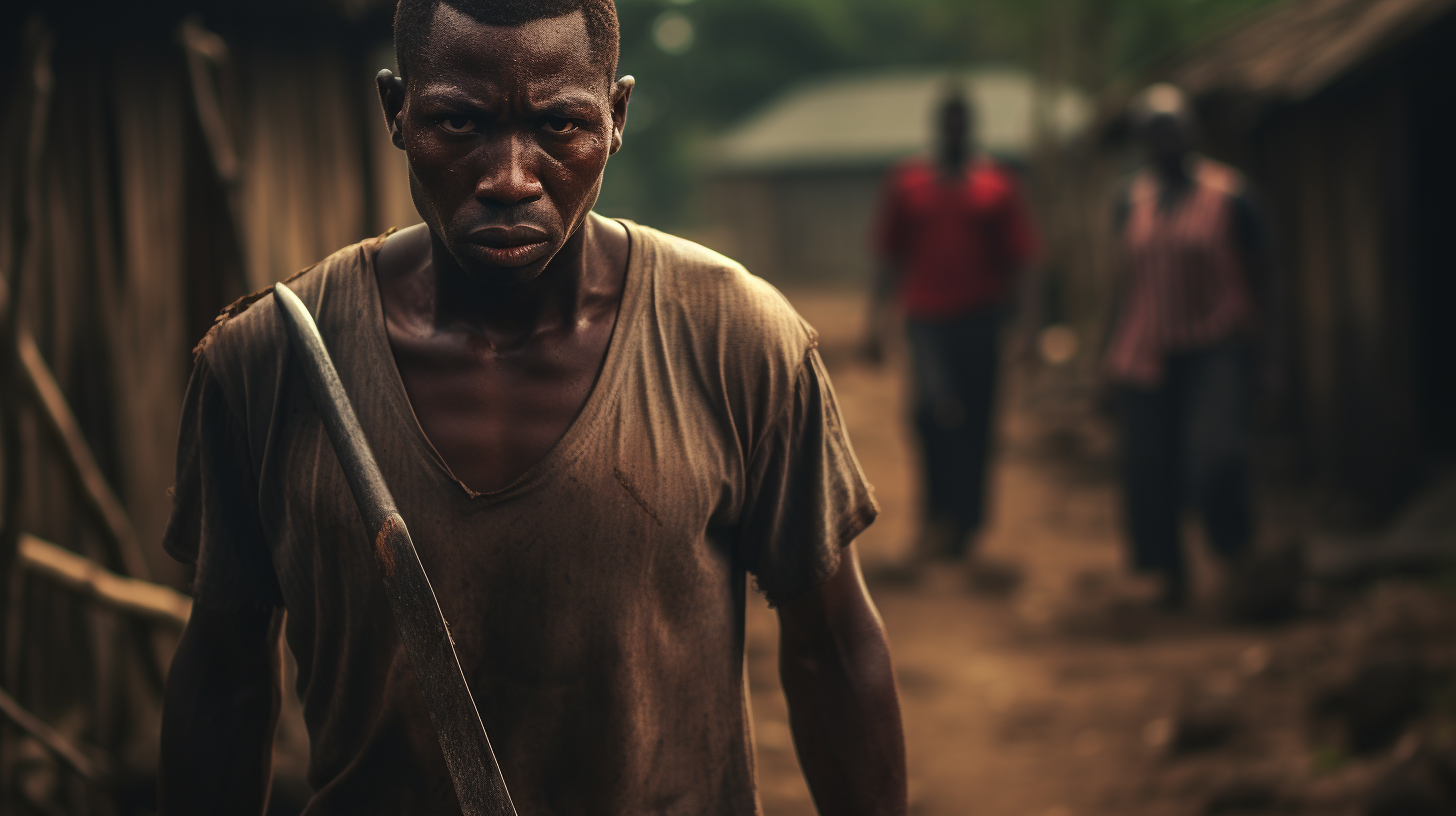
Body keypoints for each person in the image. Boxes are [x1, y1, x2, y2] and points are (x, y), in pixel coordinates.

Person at [156, 1, 907, 813]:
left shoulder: (736, 340)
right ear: (395, 111)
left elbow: (832, 649)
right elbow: (226, 679)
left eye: (559, 126)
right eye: (458, 121)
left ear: (616, 118)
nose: (509, 177)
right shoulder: (267, 364)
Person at [1104, 84, 1277, 609]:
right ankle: (1169, 575)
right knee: (1149, 467)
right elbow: (1124, 284)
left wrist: (1271, 359)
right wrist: (1103, 359)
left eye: (1172, 128)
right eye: (1152, 131)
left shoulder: (1230, 195)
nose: (1164, 140)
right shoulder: (1131, 200)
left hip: (1215, 346)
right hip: (1145, 350)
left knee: (1215, 458)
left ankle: (1237, 555)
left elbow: (1268, 277)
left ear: (1191, 132)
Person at [866, 89, 1039, 566]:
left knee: (977, 423)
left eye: (963, 122)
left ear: (972, 127)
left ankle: (966, 526)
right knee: (930, 414)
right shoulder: (908, 184)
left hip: (982, 319)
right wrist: (874, 323)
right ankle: (933, 517)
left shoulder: (996, 186)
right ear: (938, 126)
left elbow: (1022, 261)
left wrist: (1028, 327)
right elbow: (887, 257)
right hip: (926, 321)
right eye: (949, 121)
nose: (955, 130)